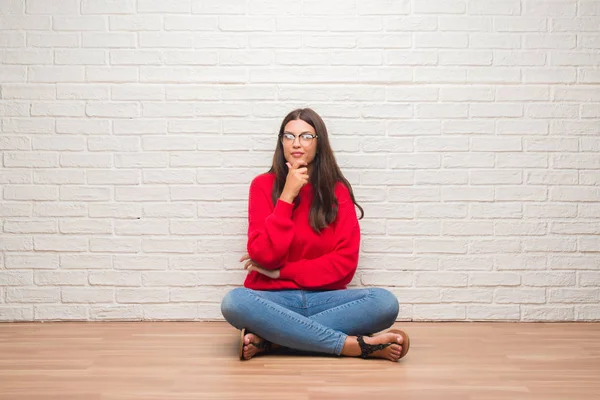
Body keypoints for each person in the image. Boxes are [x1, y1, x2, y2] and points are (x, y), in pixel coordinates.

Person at [220, 108, 409, 362]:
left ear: (319, 143)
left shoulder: (337, 191)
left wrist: (280, 273)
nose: (297, 143)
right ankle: (349, 345)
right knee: (235, 302)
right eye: (289, 136)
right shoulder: (262, 186)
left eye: (306, 136)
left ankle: (273, 341)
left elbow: (344, 265)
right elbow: (264, 255)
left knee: (385, 302)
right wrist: (287, 196)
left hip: (326, 299)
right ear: (281, 142)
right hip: (274, 300)